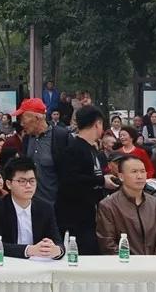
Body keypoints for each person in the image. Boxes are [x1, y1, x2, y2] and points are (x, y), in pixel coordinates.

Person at [55, 105, 117, 255]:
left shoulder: (93, 149)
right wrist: (101, 181)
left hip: (90, 214)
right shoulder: (73, 149)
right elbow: (70, 180)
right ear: (98, 124)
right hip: (74, 219)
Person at [0, 158, 64, 259]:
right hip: (9, 265)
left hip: (39, 265)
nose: (28, 186)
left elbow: (58, 241)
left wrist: (57, 250)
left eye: (32, 181)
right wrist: (29, 250)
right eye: (22, 181)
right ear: (9, 184)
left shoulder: (45, 208)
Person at [96, 155, 156, 255]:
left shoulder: (155, 204)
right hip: (124, 266)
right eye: (134, 172)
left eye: (142, 171)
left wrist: (153, 263)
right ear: (121, 176)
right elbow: (107, 244)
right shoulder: (108, 205)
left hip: (154, 266)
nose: (140, 176)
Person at [17, 98, 74, 206]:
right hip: (31, 204)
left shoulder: (61, 137)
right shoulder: (26, 139)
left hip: (56, 205)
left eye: (23, 118)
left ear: (37, 117)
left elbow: (71, 172)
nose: (21, 123)